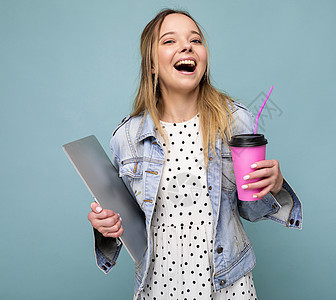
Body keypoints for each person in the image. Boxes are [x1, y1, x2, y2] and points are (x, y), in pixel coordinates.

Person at [87, 8, 302, 300]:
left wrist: (272, 185)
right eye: (169, 41)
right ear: (151, 64)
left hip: (229, 287)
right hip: (158, 290)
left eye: (195, 40)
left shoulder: (235, 121)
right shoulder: (126, 137)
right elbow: (130, 225)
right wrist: (105, 227)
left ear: (203, 57)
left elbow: (251, 208)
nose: (186, 46)